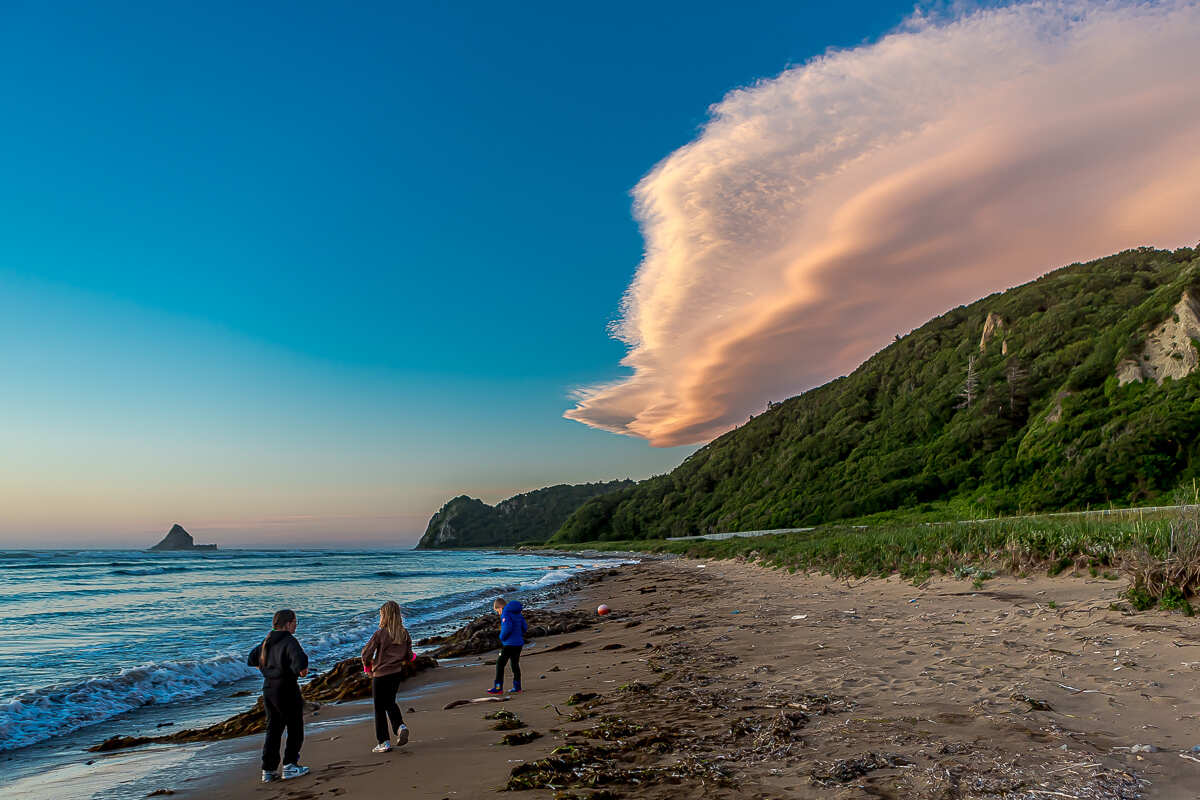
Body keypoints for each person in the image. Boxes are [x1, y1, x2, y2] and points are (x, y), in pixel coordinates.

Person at [247, 609, 310, 783]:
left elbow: (252, 659)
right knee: (295, 728)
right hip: (286, 688)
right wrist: (298, 671)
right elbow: (302, 668)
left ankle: (268, 770)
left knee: (273, 730)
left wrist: (268, 669)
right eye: (295, 621)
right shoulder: (289, 640)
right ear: (288, 623)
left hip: (268, 689)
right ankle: (290, 765)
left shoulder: (267, 639)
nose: (296, 625)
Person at [360, 600, 414, 752]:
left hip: (381, 674)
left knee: (379, 708)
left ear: (384, 616)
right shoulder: (404, 633)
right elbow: (409, 655)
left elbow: (366, 653)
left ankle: (383, 741)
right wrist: (411, 658)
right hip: (396, 673)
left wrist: (367, 667)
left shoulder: (380, 634)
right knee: (390, 702)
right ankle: (399, 726)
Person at [488, 599, 527, 694]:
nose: (498, 613)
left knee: (500, 664)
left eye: (497, 611)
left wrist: (502, 637)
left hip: (509, 644)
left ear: (500, 607)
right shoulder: (518, 613)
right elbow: (524, 627)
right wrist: (518, 635)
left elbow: (507, 628)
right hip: (518, 643)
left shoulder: (505, 614)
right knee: (515, 664)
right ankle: (517, 687)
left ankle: (498, 688)